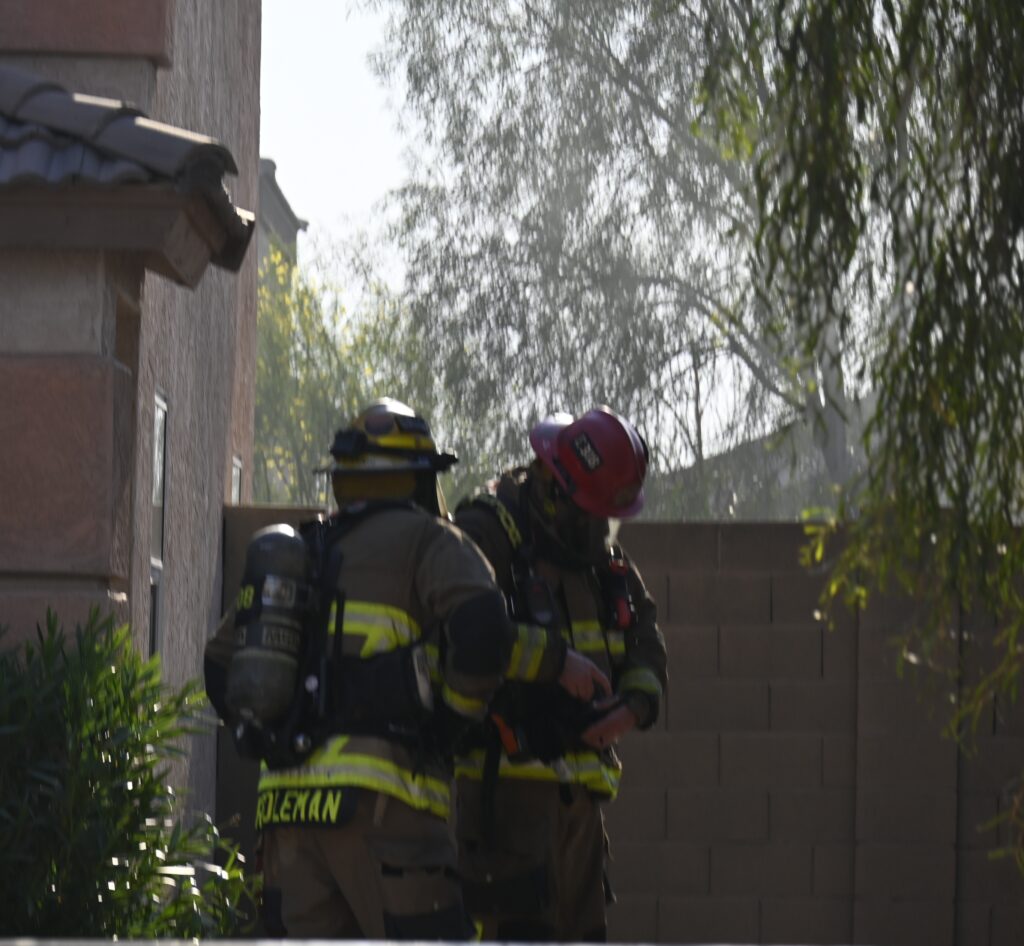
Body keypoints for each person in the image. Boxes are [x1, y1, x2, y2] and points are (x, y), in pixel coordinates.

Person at [204, 398, 607, 939]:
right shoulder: (430, 542)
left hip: (287, 819)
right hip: (387, 813)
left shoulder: (297, 555)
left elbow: (219, 664)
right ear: (416, 479)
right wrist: (454, 719)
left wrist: (272, 733)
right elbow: (485, 634)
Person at [452, 405, 667, 942]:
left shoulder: (601, 561)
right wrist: (554, 663)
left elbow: (645, 637)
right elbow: (454, 633)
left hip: (581, 807)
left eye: (608, 517)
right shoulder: (487, 534)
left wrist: (634, 705)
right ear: (554, 487)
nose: (600, 529)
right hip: (508, 799)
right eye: (590, 513)